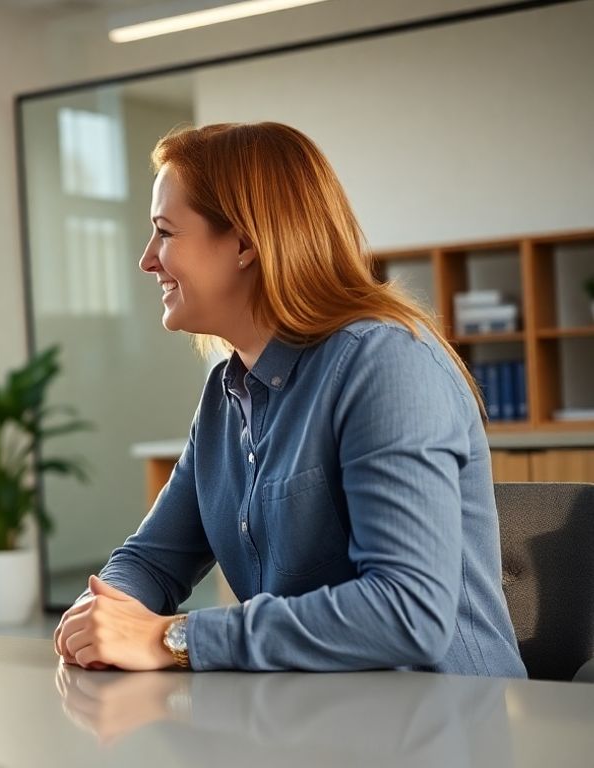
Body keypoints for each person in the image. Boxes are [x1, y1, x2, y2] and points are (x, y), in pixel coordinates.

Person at [54, 122, 524, 677]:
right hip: (311, 718)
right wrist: (105, 614)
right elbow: (153, 558)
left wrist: (172, 638)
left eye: (165, 232)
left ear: (247, 243)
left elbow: (408, 613)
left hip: (444, 727)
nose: (147, 260)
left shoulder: (386, 364)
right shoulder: (225, 392)